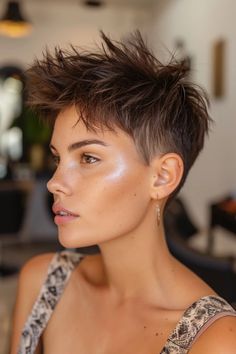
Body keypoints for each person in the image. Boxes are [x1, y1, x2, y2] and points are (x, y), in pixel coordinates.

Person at [10, 32, 236, 354]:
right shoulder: (43, 282)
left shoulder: (216, 341)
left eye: (88, 158)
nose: (55, 182)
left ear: (162, 176)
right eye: (58, 158)